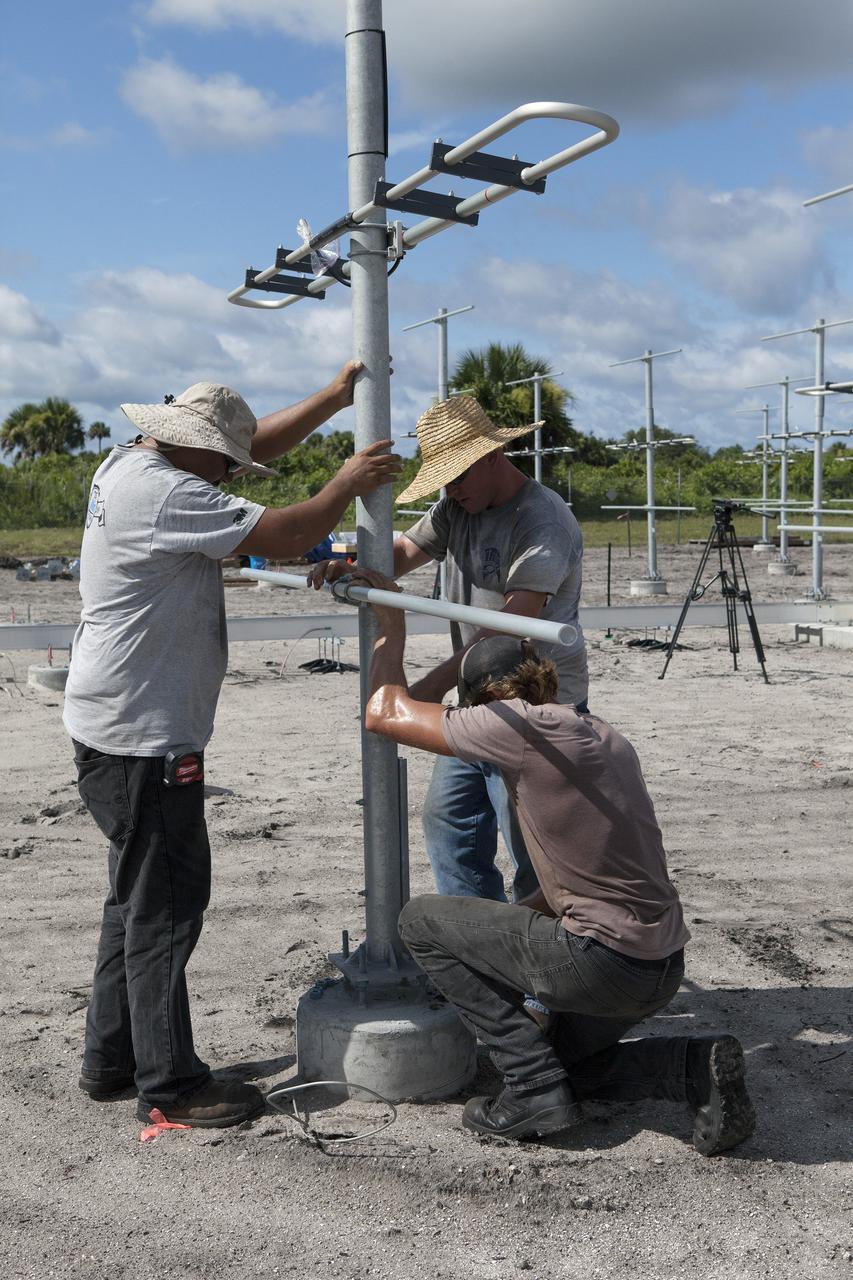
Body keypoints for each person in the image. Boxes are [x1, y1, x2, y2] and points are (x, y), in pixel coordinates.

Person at [64, 363, 401, 1130]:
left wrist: (333, 398)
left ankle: (111, 1059)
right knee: (167, 908)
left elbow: (243, 446)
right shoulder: (169, 492)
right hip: (144, 737)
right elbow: (286, 532)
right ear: (195, 451)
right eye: (229, 465)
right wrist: (345, 483)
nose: (234, 475)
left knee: (135, 900)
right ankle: (172, 1083)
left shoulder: (131, 461)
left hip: (111, 723)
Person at [356, 567, 755, 1154]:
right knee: (563, 1062)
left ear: (480, 703)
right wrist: (514, 956)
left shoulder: (512, 727)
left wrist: (389, 622)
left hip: (602, 962)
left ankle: (529, 1089)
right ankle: (688, 1065)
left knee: (421, 921)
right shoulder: (603, 735)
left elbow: (385, 713)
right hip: (661, 966)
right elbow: (577, 879)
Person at [309, 395, 587, 907]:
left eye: (457, 476)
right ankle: (478, 957)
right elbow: (399, 554)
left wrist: (418, 695)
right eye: (444, 479)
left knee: (532, 849)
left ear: (490, 458)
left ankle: (538, 974)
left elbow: (509, 629)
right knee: (451, 825)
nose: (450, 489)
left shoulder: (540, 521)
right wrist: (347, 562)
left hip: (535, 709)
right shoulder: (457, 505)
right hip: (474, 703)